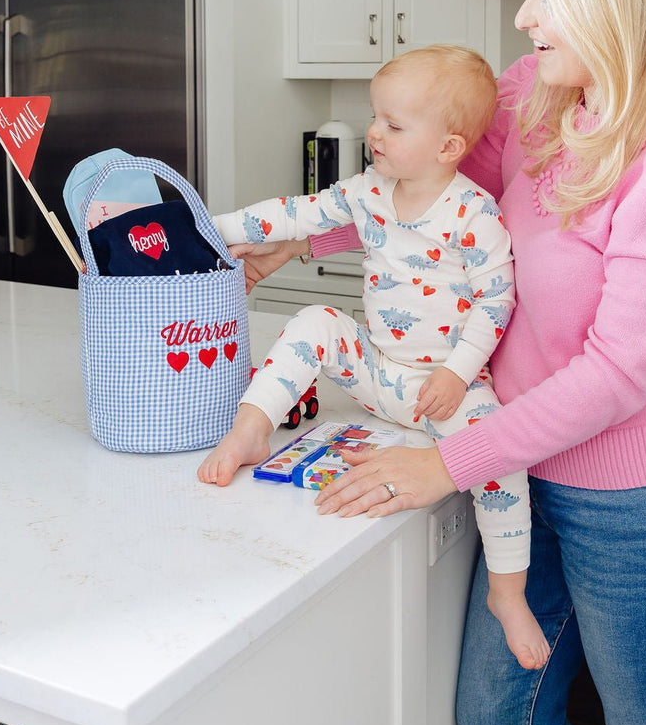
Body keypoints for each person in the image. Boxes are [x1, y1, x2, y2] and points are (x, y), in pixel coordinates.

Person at [246, 0, 646, 725]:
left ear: (610, 0)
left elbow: (614, 378)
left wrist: (444, 463)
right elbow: (426, 197)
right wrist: (297, 241)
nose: (521, 19)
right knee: (497, 722)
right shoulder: (532, 97)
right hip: (529, 464)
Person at [199, 45, 550, 670]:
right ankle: (252, 430)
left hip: (450, 389)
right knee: (315, 321)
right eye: (375, 117)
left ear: (447, 146)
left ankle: (508, 592)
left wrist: (456, 372)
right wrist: (204, 228)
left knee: (502, 465)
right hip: (381, 373)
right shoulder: (367, 192)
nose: (373, 133)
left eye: (393, 123)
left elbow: (497, 301)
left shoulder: (474, 213)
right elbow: (292, 214)